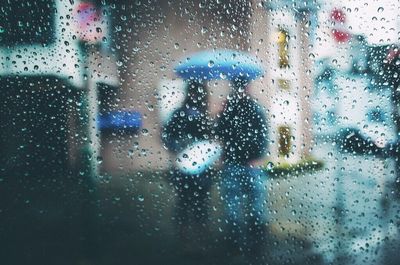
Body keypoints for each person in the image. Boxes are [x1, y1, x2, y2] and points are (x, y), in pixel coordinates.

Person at [217, 76, 269, 263]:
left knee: (241, 207)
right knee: (246, 208)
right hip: (244, 165)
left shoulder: (241, 108)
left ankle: (242, 247)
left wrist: (222, 114)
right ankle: (249, 247)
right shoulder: (250, 108)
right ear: (247, 86)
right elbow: (263, 134)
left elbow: (219, 132)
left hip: (242, 164)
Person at [161, 78, 214, 249]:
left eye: (200, 93)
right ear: (188, 93)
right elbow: (166, 136)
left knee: (200, 205)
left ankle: (199, 240)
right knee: (184, 203)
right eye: (194, 92)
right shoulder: (178, 114)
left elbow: (211, 140)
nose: (197, 96)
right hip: (184, 168)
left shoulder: (205, 117)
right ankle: (185, 241)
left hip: (202, 169)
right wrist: (180, 146)